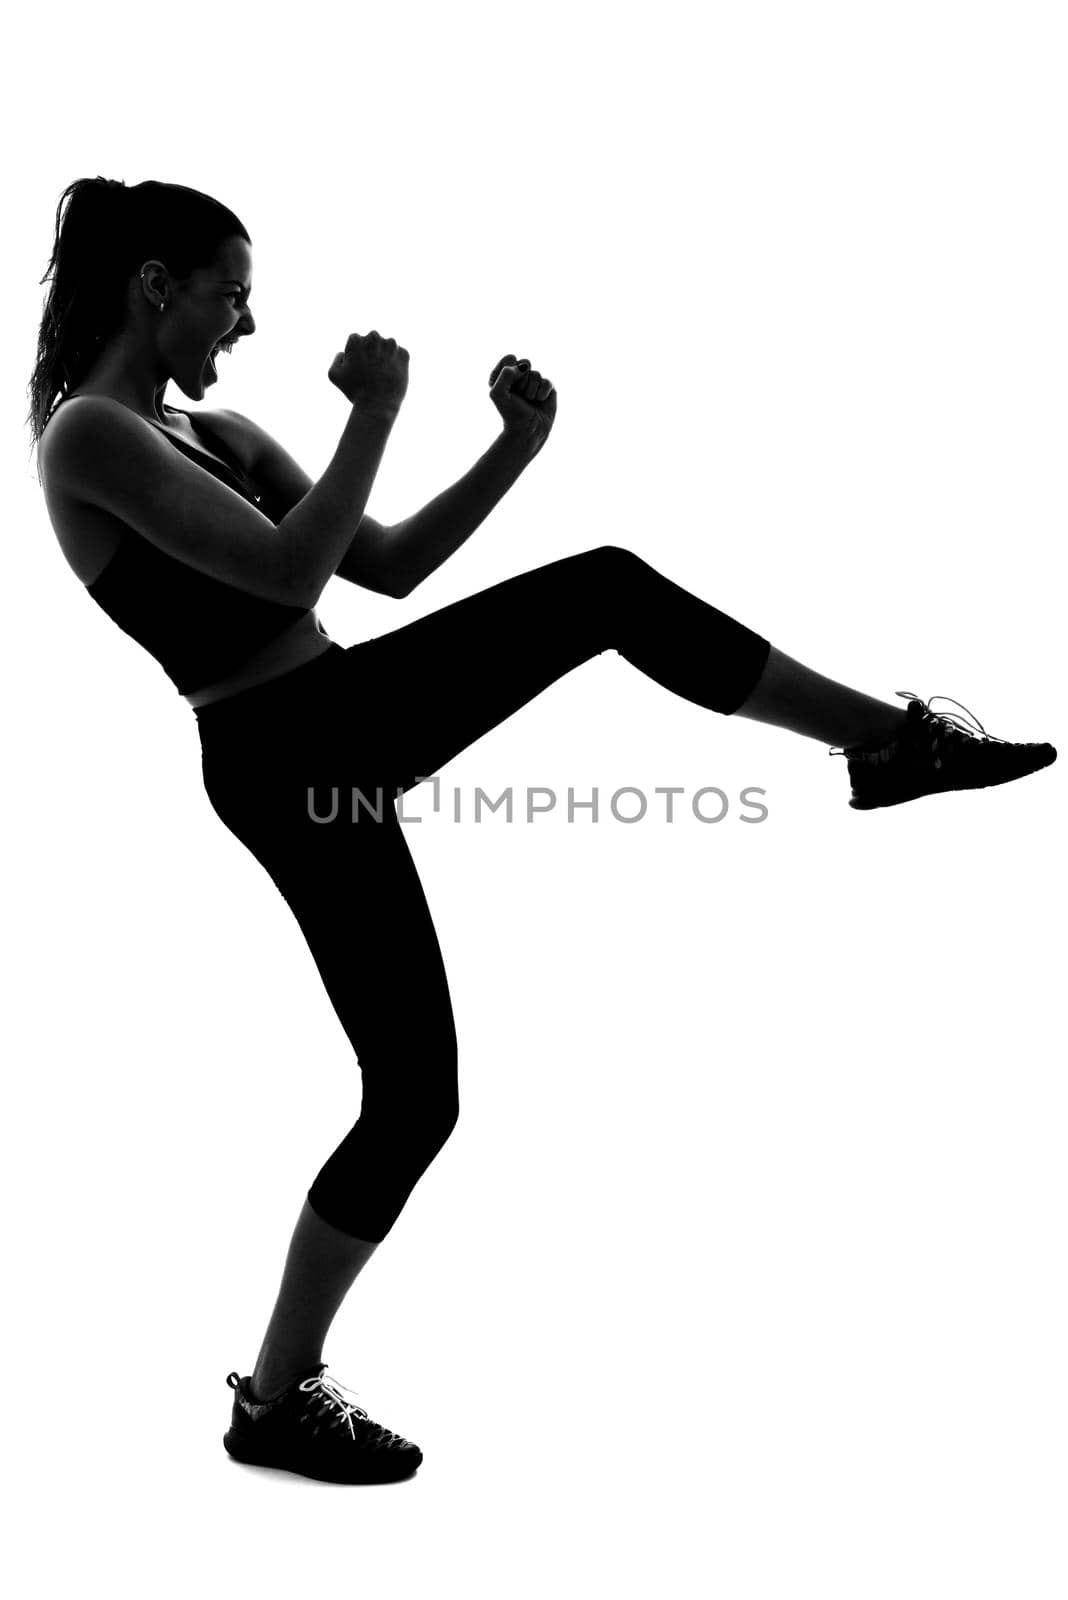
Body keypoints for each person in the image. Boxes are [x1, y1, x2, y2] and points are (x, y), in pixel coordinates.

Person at [28, 176, 1056, 1487]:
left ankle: (272, 1405)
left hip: (333, 718)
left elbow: (383, 562)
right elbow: (289, 574)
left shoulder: (214, 432)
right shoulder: (86, 442)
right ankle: (890, 743)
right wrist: (377, 416)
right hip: (287, 747)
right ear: (154, 285)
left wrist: (512, 447)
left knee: (416, 1091)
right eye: (232, 292)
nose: (247, 323)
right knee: (419, 1094)